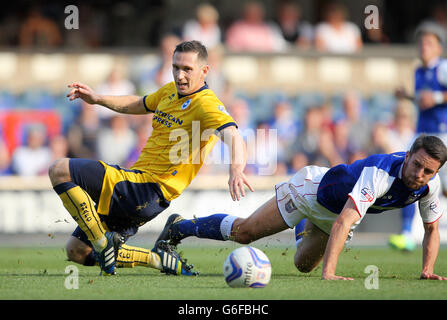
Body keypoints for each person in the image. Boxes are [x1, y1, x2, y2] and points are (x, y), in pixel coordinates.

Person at [48, 40, 253, 276]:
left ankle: (102, 243)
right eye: (176, 67)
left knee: (59, 169)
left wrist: (236, 169)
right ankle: (157, 259)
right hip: (140, 191)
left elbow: (234, 136)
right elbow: (138, 103)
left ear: (204, 71)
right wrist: (98, 100)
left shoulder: (206, 104)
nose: (179, 75)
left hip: (148, 187)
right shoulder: (169, 91)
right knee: (76, 252)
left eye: (187, 69)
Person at [156, 134, 447, 280]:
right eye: (417, 165)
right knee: (244, 234)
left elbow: (432, 228)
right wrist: (330, 273)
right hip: (310, 191)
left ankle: (302, 226)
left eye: (428, 172)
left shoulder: (428, 186)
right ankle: (180, 227)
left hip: (334, 211)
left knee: (302, 265)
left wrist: (427, 269)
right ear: (407, 156)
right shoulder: (381, 172)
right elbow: (344, 222)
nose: (419, 175)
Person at [393, 21, 447, 251]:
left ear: (439, 48)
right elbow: (422, 100)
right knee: (409, 177)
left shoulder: (443, 67)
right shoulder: (418, 71)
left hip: (443, 133)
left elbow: (433, 98)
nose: (423, 46)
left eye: (428, 43)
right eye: (421, 42)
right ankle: (406, 233)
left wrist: (434, 98)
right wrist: (407, 97)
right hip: (423, 135)